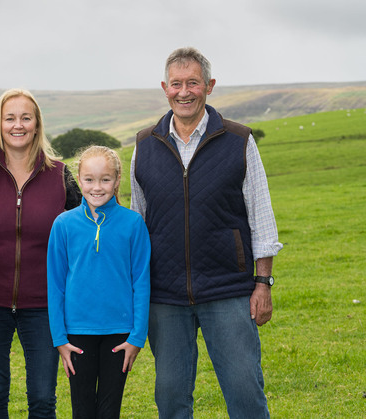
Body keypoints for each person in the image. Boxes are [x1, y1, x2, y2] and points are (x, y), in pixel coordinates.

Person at [130, 47, 283, 418]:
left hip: (228, 290)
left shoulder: (239, 140)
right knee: (170, 399)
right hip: (164, 296)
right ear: (165, 88)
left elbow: (261, 216)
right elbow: (137, 223)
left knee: (245, 392)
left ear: (209, 86)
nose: (185, 92)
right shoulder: (144, 145)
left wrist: (263, 283)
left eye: (193, 83)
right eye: (177, 84)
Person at [0, 88, 82, 418]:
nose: (18, 125)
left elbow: (82, 234)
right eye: (10, 118)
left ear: (37, 124)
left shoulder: (60, 176)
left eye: (26, 118)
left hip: (44, 304)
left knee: (42, 398)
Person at [47, 145, 151, 419]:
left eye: (105, 179)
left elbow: (141, 282)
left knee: (109, 410)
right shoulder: (63, 224)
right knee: (82, 409)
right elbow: (55, 285)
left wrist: (137, 336)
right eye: (89, 179)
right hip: (77, 334)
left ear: (117, 181)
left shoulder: (133, 223)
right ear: (78, 180)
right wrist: (59, 338)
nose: (97, 187)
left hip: (120, 334)